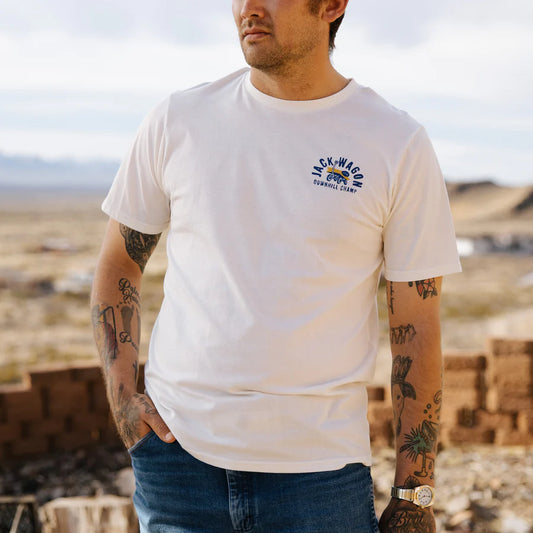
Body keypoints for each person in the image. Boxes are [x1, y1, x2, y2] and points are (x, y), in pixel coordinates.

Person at [91, 0, 461, 531]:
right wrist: (126, 402)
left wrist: (414, 495)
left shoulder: (395, 142)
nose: (248, 8)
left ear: (331, 6)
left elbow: (417, 328)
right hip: (177, 465)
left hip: (319, 478)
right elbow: (118, 264)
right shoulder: (179, 120)